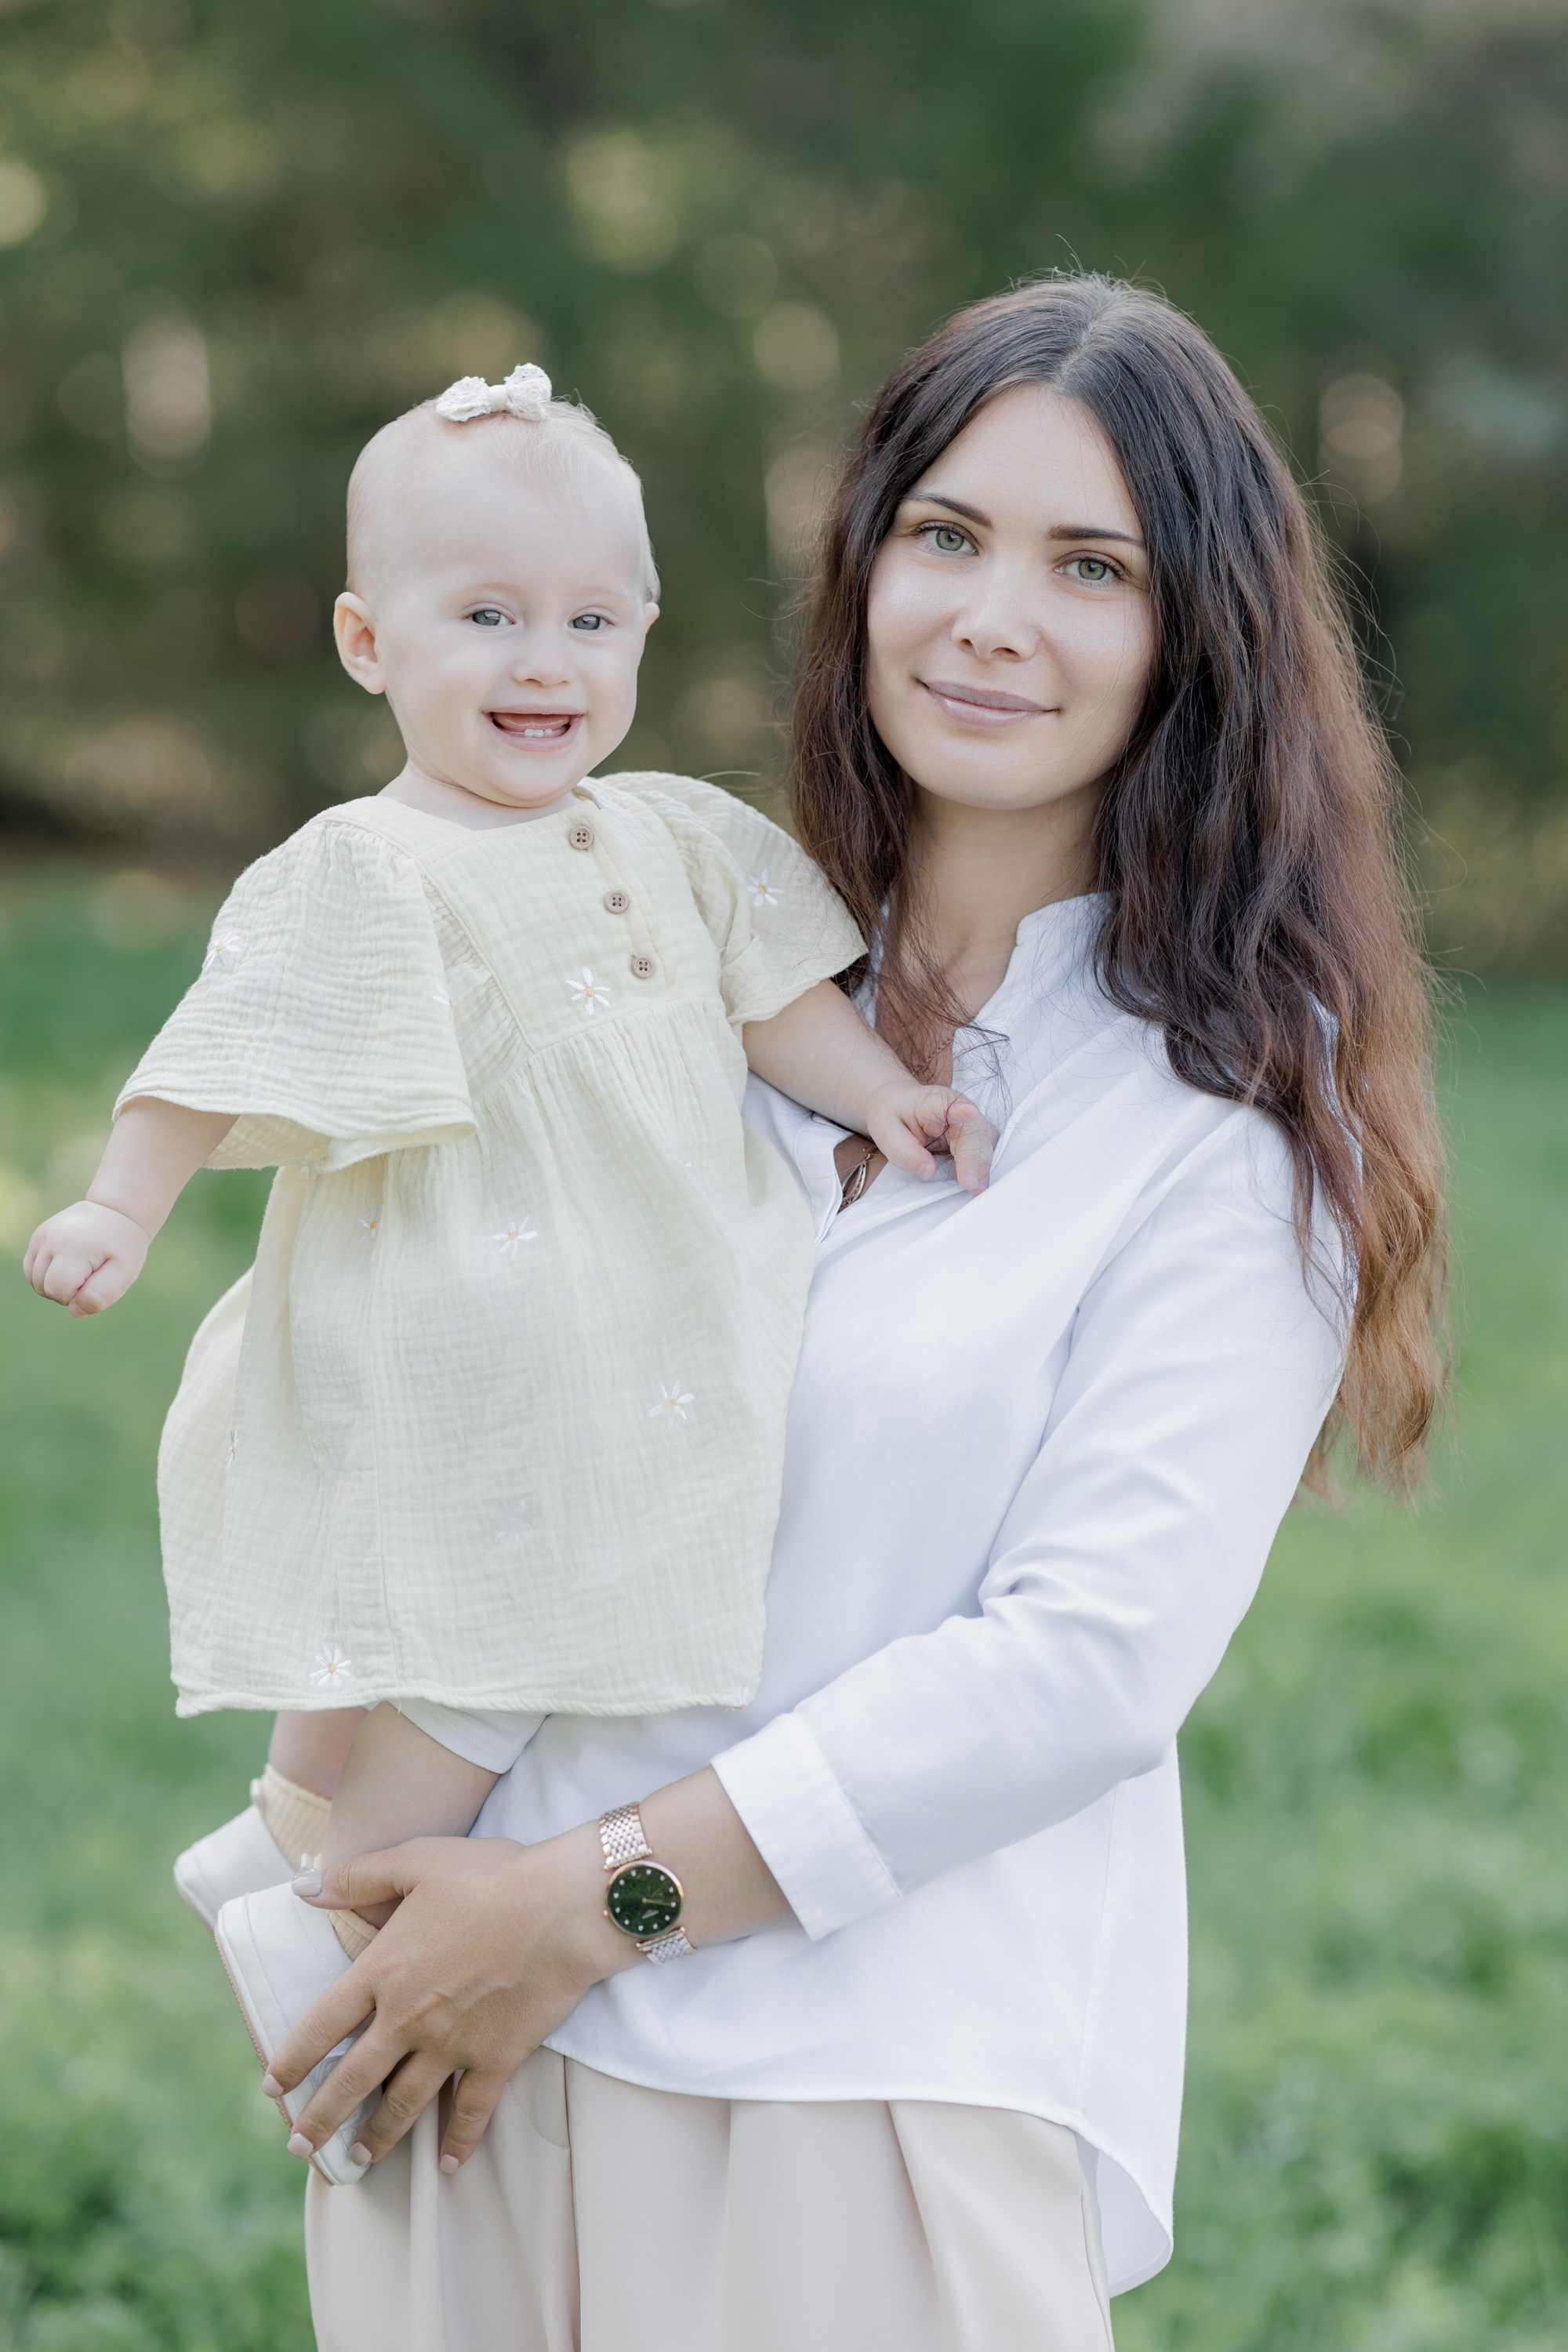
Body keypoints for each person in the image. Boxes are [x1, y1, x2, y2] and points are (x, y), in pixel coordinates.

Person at [273, 274, 1443, 2352]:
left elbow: (1080, 1670)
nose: (993, 617)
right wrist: (339, 1859)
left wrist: (593, 1904)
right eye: (947, 536)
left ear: (1198, 636)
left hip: (857, 2109)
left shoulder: (1231, 1131)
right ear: (863, 567)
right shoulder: (675, 977)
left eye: (1091, 567)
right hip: (461, 2056)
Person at [20, 365, 993, 2183]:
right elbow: (216, 1055)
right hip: (461, 1326)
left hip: (640, 1321)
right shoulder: (362, 865)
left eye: (589, 621)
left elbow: (776, 1008)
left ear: (642, 633)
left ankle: (280, 1849)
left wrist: (882, 1094)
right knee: (462, 1641)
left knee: (456, 1621)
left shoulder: (676, 835)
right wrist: (119, 1209)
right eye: (486, 618)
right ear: (365, 643)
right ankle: (336, 1944)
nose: (545, 662)